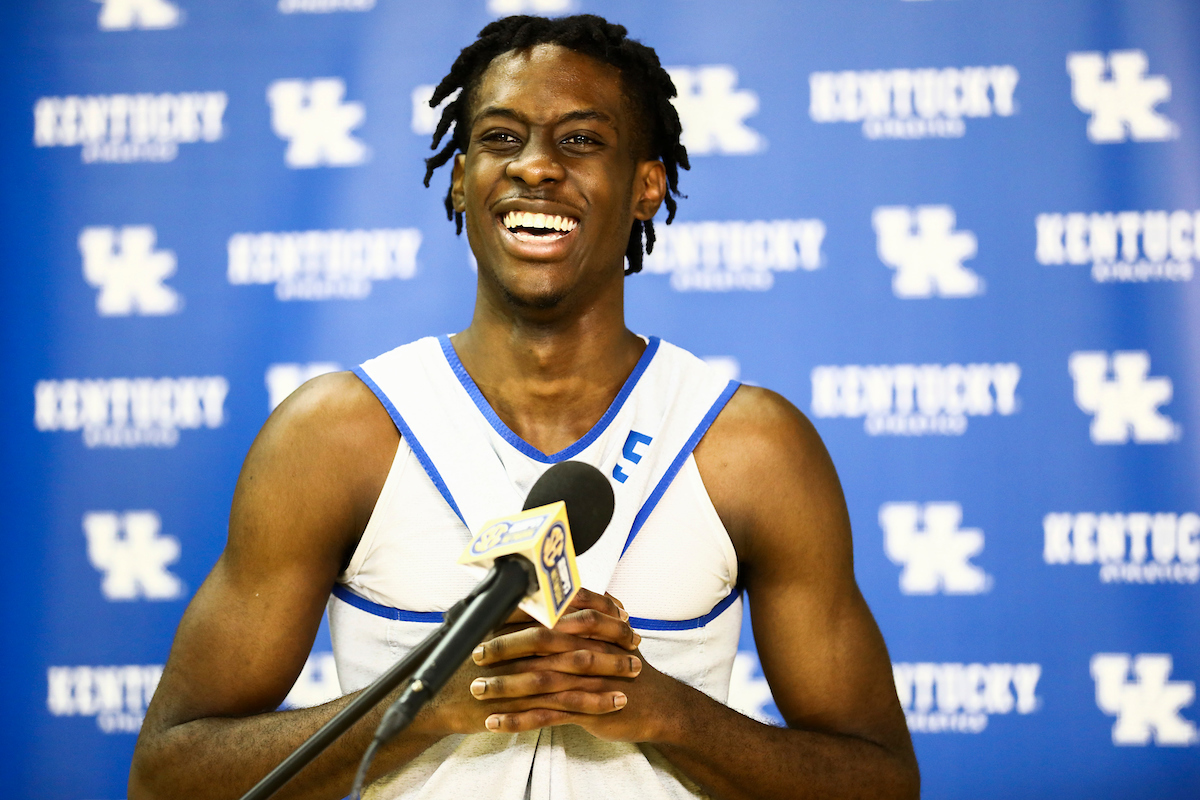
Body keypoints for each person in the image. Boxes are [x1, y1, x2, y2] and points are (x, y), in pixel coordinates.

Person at [129, 14, 918, 800]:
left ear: (648, 185)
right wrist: (427, 705)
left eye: (579, 140)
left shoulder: (751, 447)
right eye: (501, 139)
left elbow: (882, 782)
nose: (535, 168)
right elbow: (166, 777)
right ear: (461, 177)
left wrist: (663, 711)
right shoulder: (336, 434)